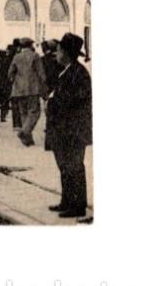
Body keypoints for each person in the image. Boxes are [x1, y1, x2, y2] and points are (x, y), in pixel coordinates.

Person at [45, 33, 91, 219]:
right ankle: (67, 200)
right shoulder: (65, 71)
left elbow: (76, 100)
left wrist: (55, 101)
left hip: (73, 130)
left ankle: (78, 205)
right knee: (64, 166)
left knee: (74, 166)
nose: (55, 54)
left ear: (66, 53)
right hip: (62, 129)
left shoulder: (78, 73)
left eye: (58, 50)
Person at [8, 37, 47, 146]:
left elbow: (10, 73)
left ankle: (28, 139)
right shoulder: (35, 56)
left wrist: (15, 81)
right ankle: (24, 132)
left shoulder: (16, 57)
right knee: (34, 112)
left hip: (19, 90)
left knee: (24, 113)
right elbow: (41, 73)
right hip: (32, 88)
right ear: (30, 45)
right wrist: (43, 85)